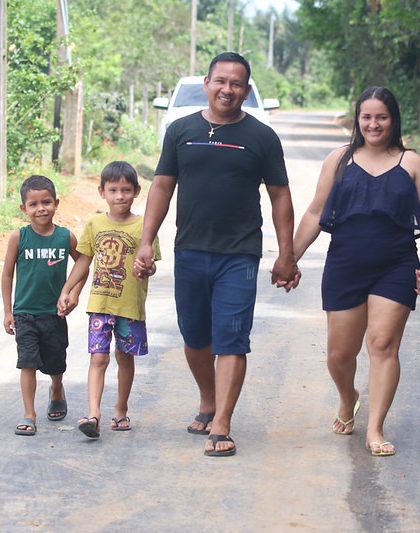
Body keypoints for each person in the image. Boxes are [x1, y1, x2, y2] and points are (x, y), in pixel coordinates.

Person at [134, 52, 298, 457]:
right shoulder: (180, 130)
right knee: (194, 337)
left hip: (239, 254)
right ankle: (208, 400)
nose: (228, 89)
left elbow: (280, 196)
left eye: (237, 83)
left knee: (232, 339)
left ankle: (222, 422)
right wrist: (145, 241)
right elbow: (161, 187)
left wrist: (286, 253)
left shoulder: (261, 137)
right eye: (221, 81)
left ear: (246, 89)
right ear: (207, 83)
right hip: (189, 249)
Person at [293, 86, 420, 457]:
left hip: (396, 264)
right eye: (367, 117)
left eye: (382, 117)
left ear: (393, 120)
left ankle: (375, 428)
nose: (374, 124)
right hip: (345, 263)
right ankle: (349, 398)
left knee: (382, 345)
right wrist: (289, 257)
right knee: (339, 355)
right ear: (357, 119)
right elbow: (315, 212)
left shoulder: (412, 163)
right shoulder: (339, 160)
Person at [58, 161, 160, 439]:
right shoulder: (94, 224)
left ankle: (121, 409)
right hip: (100, 307)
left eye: (126, 190)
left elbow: (151, 265)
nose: (120, 196)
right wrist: (67, 289)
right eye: (113, 190)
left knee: (125, 359)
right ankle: (93, 414)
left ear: (137, 191)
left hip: (130, 307)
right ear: (101, 191)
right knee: (98, 359)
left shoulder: (144, 227)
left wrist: (147, 268)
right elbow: (84, 262)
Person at [2, 175, 85, 436]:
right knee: (27, 362)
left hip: (54, 315)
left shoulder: (65, 237)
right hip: (25, 313)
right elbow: (6, 274)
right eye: (34, 204)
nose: (41, 209)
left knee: (55, 362)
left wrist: (73, 293)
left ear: (56, 203)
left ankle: (57, 388)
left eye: (46, 202)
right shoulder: (19, 237)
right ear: (23, 208)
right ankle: (29, 413)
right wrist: (7, 310)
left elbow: (83, 262)